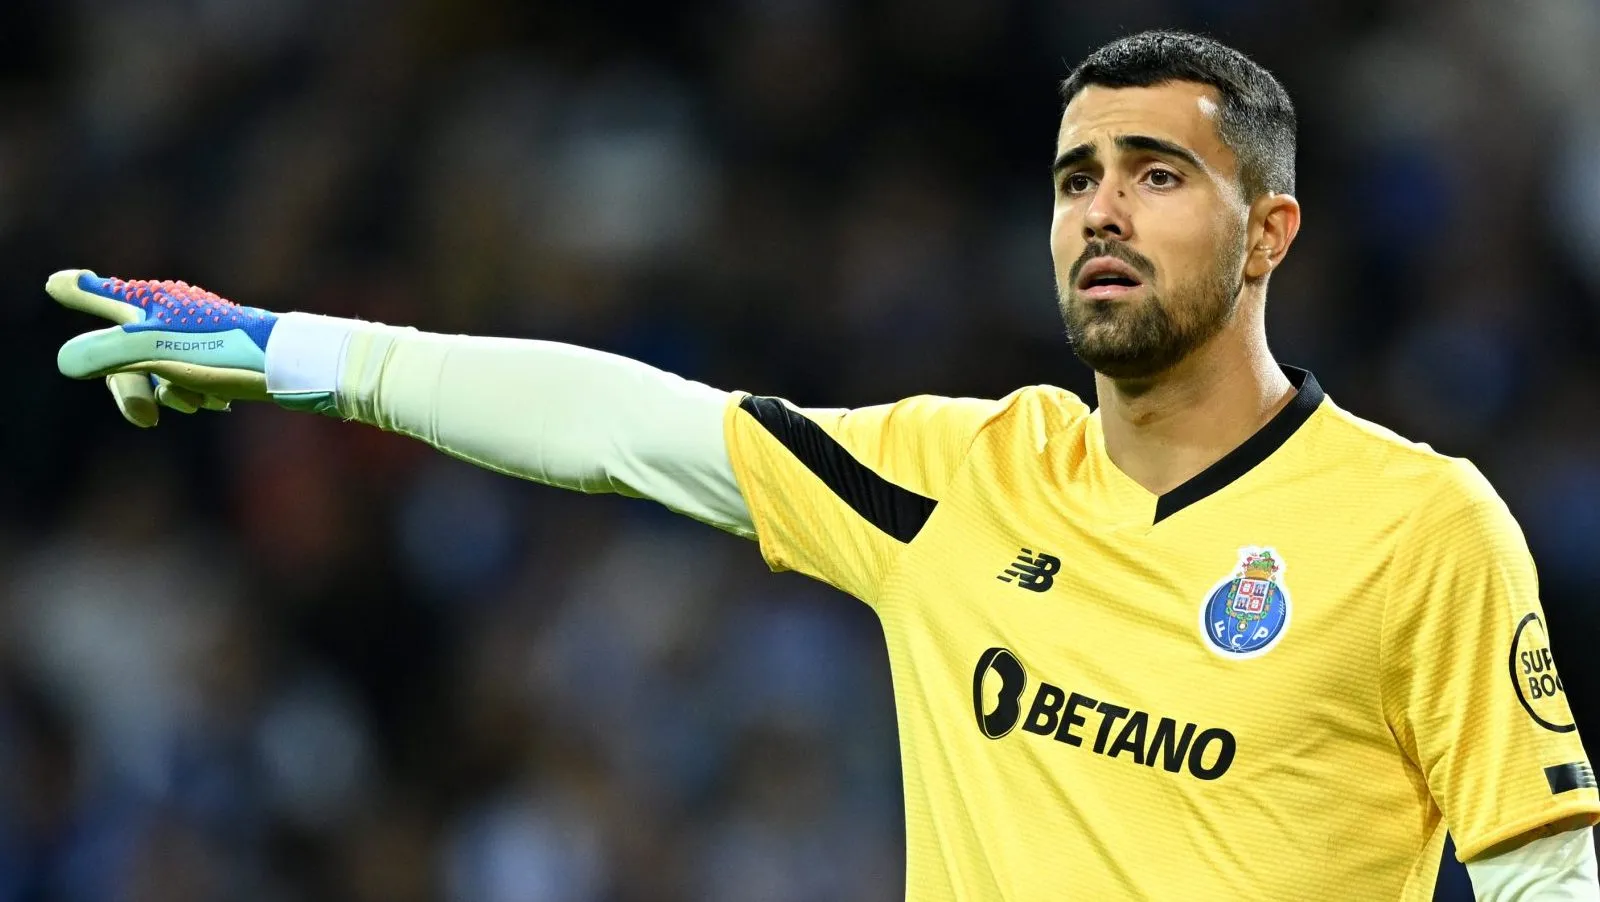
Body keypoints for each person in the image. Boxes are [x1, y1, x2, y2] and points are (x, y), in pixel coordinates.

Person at [48, 29, 1599, 901]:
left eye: (1156, 172)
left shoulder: (1418, 525)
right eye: (1075, 177)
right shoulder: (957, 474)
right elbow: (628, 426)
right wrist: (295, 345)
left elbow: (1540, 878)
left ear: (1270, 233)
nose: (1101, 210)